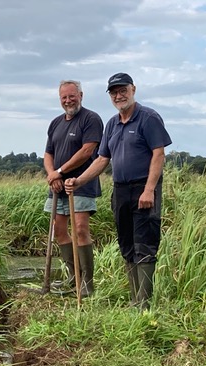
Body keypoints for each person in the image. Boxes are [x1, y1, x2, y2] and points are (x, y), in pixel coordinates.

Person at [65, 73, 172, 310]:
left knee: (144, 243)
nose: (118, 96)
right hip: (121, 190)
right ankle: (135, 299)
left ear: (133, 89)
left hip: (144, 189)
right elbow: (103, 159)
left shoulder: (148, 118)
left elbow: (158, 154)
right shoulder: (112, 124)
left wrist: (149, 190)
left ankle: (143, 303)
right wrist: (79, 180)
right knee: (126, 243)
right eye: (113, 92)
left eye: (122, 90)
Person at [44, 80, 103, 297]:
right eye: (64, 97)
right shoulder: (55, 123)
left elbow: (88, 150)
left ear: (81, 95)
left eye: (72, 96)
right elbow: (48, 153)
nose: (68, 100)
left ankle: (87, 283)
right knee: (59, 231)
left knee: (80, 230)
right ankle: (72, 278)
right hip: (57, 186)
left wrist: (60, 171)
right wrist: (53, 175)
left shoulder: (90, 119)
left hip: (80, 184)